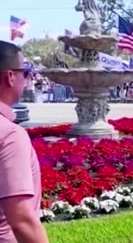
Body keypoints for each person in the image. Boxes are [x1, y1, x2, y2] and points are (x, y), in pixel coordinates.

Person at [0, 41, 49, 243]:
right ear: (11, 76)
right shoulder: (10, 134)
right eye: (25, 72)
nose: (27, 78)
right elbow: (21, 219)